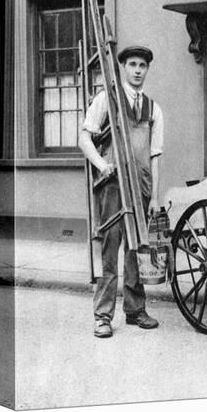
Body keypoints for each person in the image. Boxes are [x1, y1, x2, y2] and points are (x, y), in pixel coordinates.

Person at [79, 46, 164, 338]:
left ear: (147, 69)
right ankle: (102, 316)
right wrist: (102, 165)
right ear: (124, 68)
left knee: (136, 249)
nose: (138, 70)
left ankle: (135, 310)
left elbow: (155, 155)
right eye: (132, 64)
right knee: (109, 248)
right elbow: (85, 137)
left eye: (142, 65)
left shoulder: (153, 108)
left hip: (140, 186)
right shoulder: (107, 99)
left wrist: (154, 195)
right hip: (113, 186)